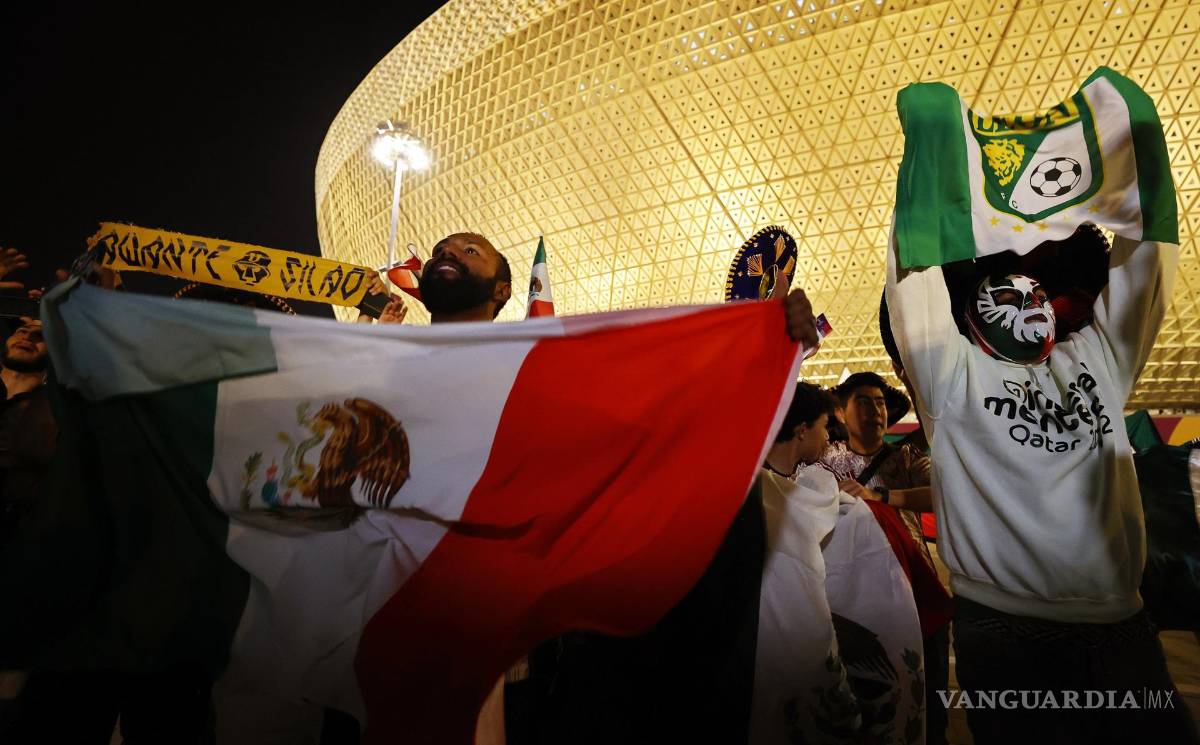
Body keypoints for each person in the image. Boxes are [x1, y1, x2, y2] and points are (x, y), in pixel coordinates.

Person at [887, 230, 1200, 743]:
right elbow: (911, 278)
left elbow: (1145, 269)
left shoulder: (1096, 358)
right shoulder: (951, 375)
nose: (1032, 303)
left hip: (1120, 626)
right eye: (1012, 297)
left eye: (1036, 294)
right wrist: (925, 188)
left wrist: (1136, 176)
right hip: (1006, 635)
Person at [819, 371, 951, 745]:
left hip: (915, 589)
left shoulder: (906, 457)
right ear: (840, 413)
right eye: (862, 401)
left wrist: (884, 497)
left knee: (930, 709)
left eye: (879, 402)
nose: (874, 409)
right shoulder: (824, 462)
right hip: (853, 604)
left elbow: (944, 492)